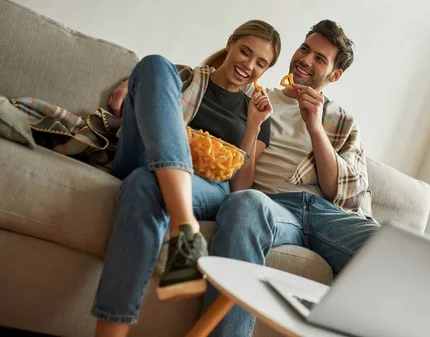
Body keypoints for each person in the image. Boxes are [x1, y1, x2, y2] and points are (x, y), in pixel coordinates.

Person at [91, 20, 281, 337]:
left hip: (204, 186)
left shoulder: (257, 112)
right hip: (146, 153)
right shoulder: (184, 77)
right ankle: (185, 226)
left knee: (144, 185)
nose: (248, 65)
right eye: (245, 52)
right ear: (231, 43)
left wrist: (253, 126)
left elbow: (239, 188)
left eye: (261, 63)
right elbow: (145, 97)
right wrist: (133, 82)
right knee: (154, 64)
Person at [202, 19, 380, 336]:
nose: (305, 60)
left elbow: (345, 194)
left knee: (391, 247)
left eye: (319, 59)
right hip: (272, 208)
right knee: (245, 204)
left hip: (325, 213)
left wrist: (314, 125)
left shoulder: (342, 122)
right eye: (305, 49)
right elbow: (201, 82)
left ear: (335, 75)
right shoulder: (254, 96)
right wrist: (133, 83)